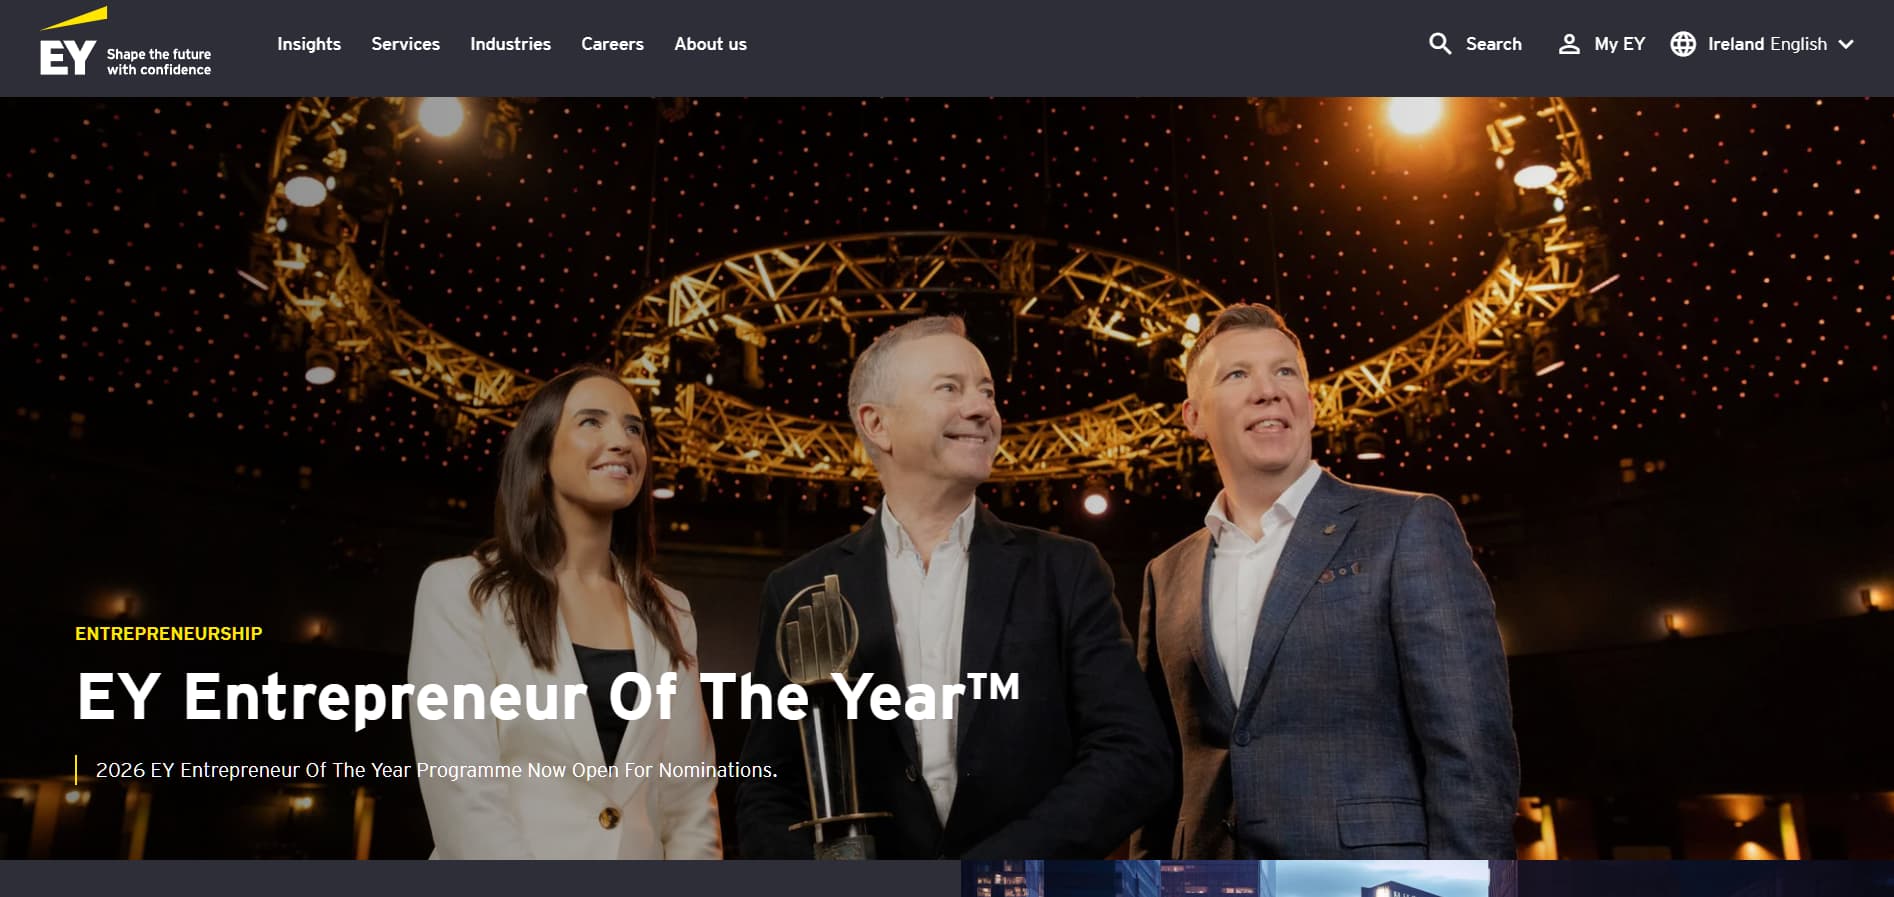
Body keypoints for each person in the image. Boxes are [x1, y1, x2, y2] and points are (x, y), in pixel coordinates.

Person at [736, 316, 1171, 858]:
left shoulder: (1067, 570)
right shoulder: (797, 589)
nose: (982, 408)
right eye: (950, 388)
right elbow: (766, 789)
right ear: (877, 424)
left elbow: (1134, 755)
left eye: (987, 391)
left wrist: (989, 875)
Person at [1132, 304, 1518, 860]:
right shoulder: (1164, 574)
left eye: (1285, 372)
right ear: (1192, 416)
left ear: (1311, 406)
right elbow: (1161, 767)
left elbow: (1473, 751)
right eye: (1237, 374)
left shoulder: (1408, 525)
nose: (1269, 390)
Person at [408, 365, 721, 859]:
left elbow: (689, 806)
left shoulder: (671, 610)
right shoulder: (459, 592)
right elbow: (464, 793)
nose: (621, 440)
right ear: (542, 454)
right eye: (592, 422)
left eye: (634, 427)